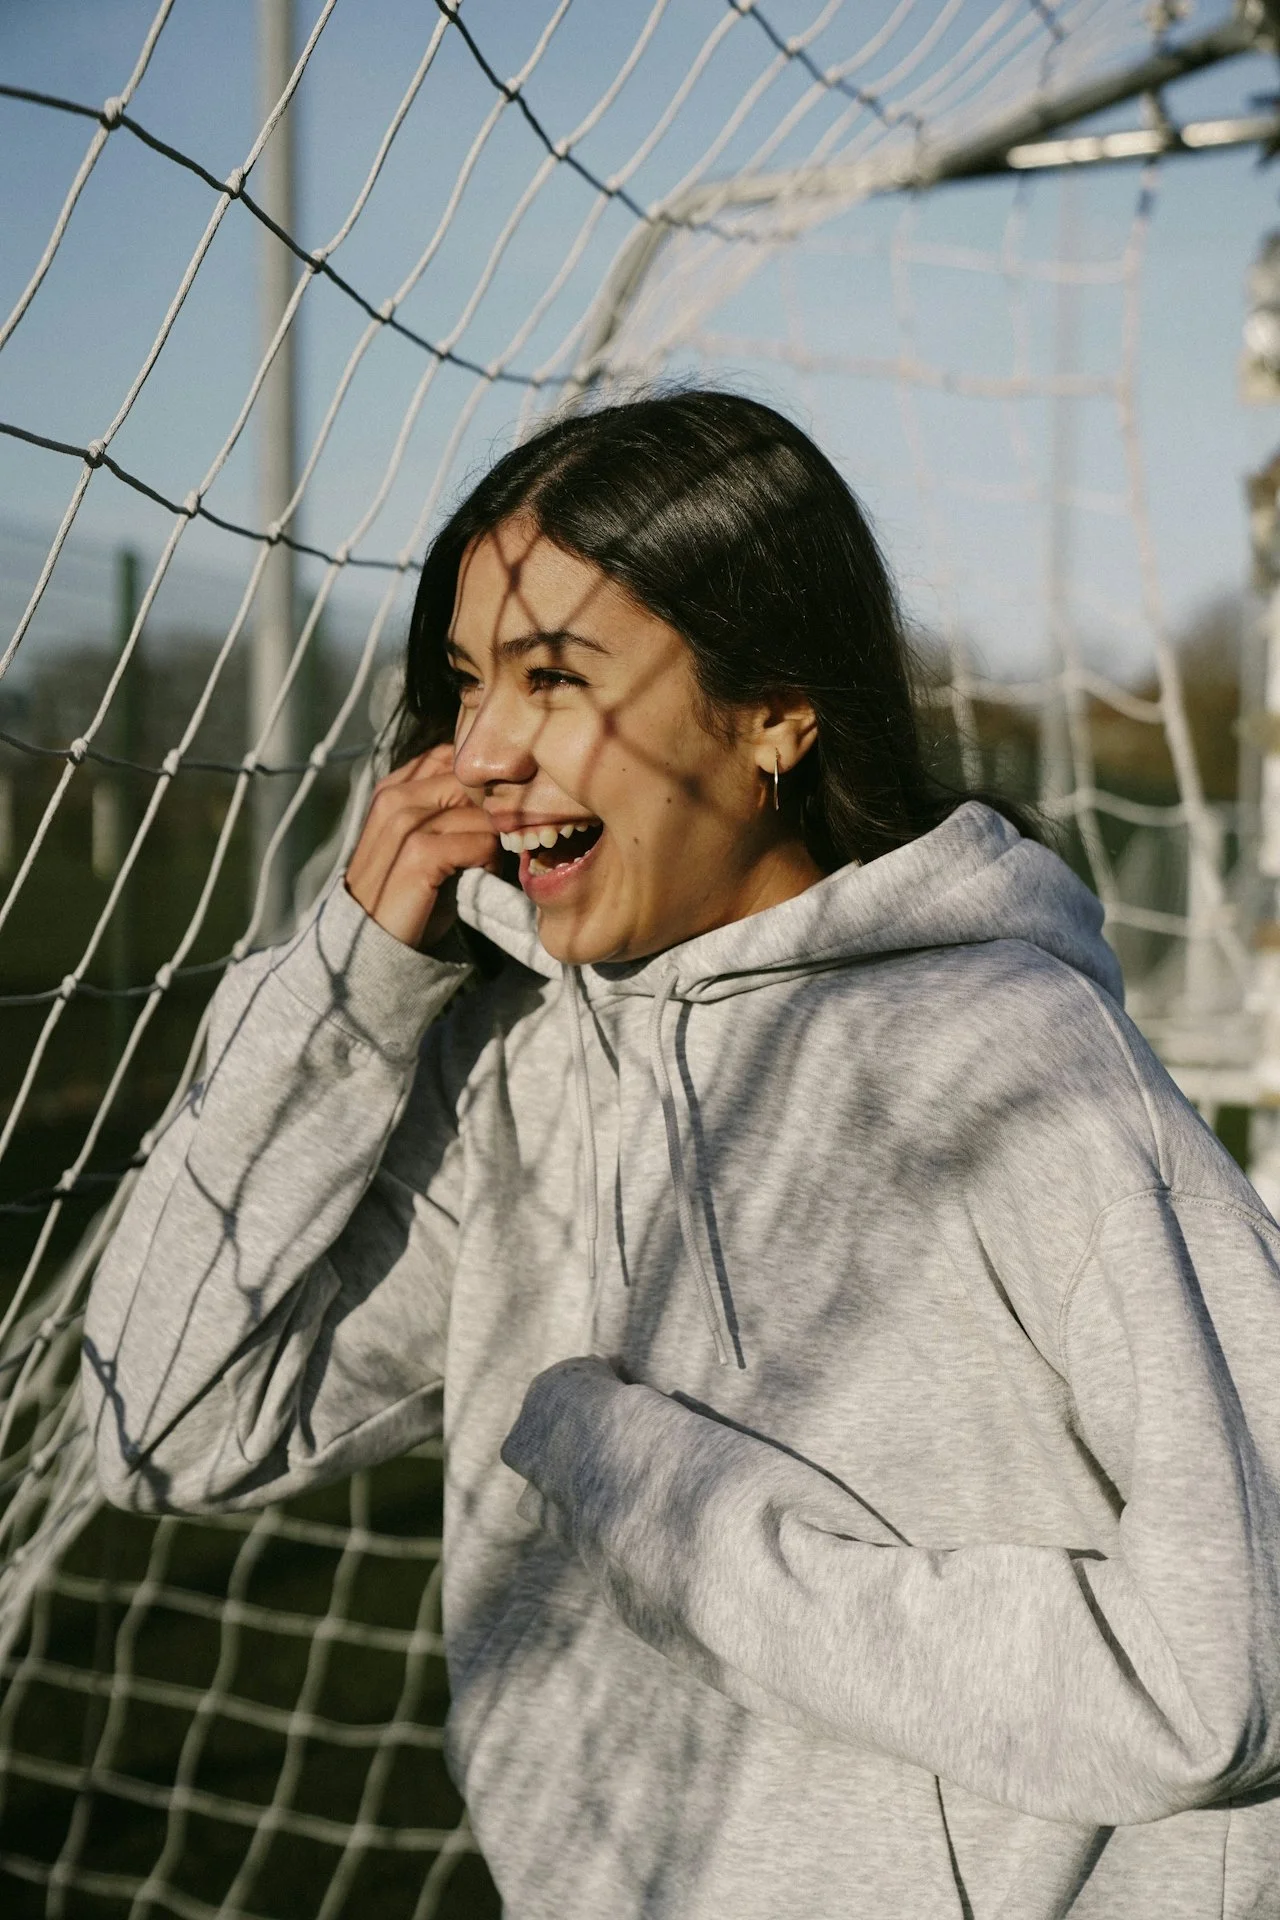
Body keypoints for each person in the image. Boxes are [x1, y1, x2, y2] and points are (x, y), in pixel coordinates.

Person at [84, 390, 1280, 1920]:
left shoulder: (1015, 1066)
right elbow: (160, 1415)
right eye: (465, 684)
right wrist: (352, 979)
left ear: (777, 710)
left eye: (553, 676)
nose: (483, 754)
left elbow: (1224, 1670)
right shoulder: (520, 1064)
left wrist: (652, 1496)